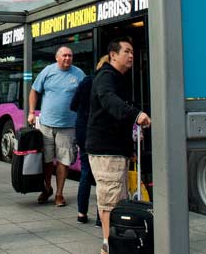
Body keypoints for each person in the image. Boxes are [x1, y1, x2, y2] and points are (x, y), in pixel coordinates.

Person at [86, 37, 151, 254]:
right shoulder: (106, 76)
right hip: (106, 151)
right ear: (113, 55)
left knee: (117, 198)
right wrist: (136, 114)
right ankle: (109, 245)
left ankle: (114, 241)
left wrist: (129, 148)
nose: (131, 55)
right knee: (110, 200)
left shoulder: (117, 77)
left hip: (115, 150)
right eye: (127, 51)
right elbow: (108, 100)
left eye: (132, 52)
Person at [27, 46, 84, 207]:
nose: (68, 58)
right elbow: (34, 91)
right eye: (64, 55)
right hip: (46, 124)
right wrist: (31, 112)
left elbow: (86, 94)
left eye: (70, 55)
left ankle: (59, 193)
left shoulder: (78, 74)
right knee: (46, 160)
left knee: (63, 162)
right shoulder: (47, 71)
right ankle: (46, 189)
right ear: (57, 57)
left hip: (68, 126)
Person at [69, 55, 109, 225]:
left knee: (86, 172)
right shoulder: (108, 83)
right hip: (99, 133)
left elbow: (73, 105)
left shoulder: (86, 81)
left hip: (82, 132)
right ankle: (102, 217)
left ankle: (81, 213)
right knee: (102, 176)